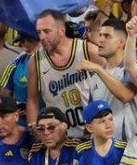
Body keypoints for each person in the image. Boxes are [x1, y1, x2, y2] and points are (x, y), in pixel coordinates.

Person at [27, 9, 102, 138]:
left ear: (62, 30)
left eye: (47, 31)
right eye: (39, 32)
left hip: (91, 133)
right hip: (59, 137)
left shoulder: (86, 49)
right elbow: (32, 99)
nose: (42, 37)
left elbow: (112, 78)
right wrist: (34, 127)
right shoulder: (35, 61)